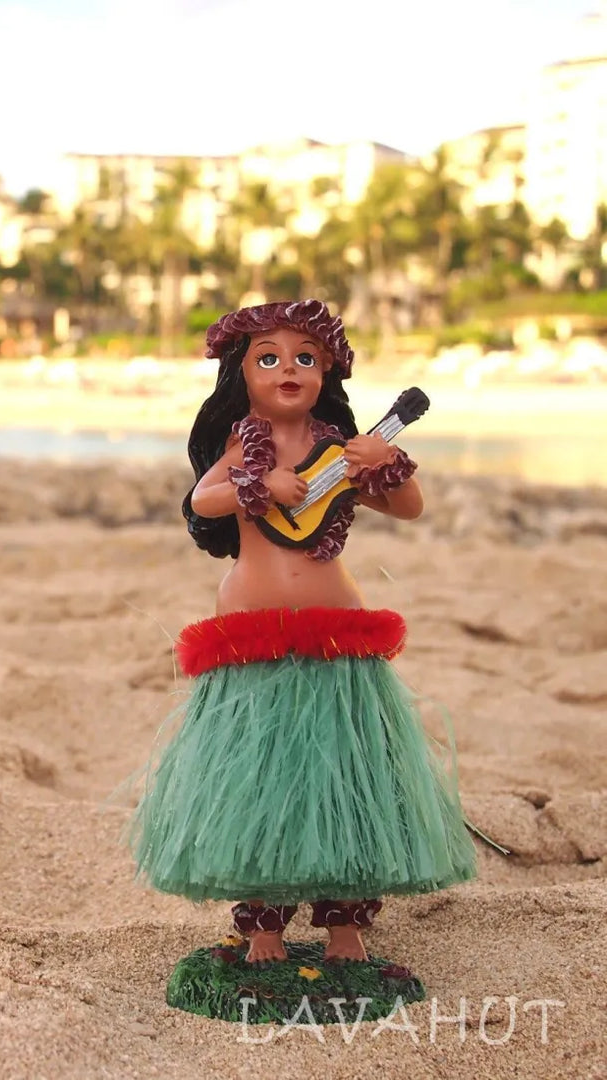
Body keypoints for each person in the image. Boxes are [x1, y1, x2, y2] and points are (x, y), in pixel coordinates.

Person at [128, 298, 479, 965]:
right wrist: (258, 484)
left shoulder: (338, 451)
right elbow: (203, 499)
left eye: (305, 358)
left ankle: (345, 925)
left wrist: (385, 461)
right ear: (242, 371)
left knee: (347, 776)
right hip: (251, 635)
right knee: (257, 784)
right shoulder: (242, 445)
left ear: (328, 373)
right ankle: (265, 928)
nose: (288, 368)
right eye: (270, 357)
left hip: (336, 635)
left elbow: (408, 508)